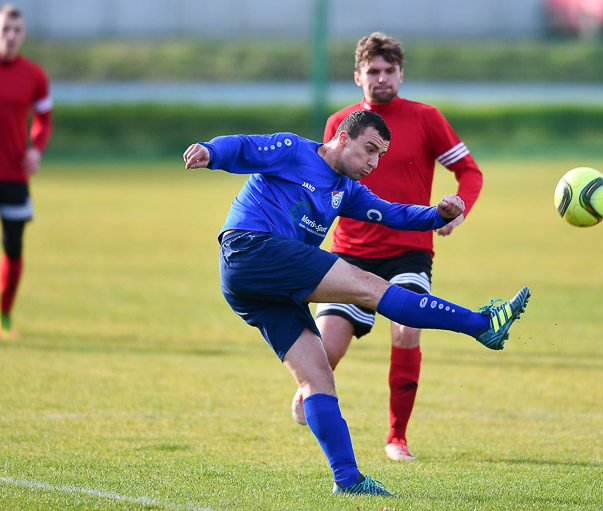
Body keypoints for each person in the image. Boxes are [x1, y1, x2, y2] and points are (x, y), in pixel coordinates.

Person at [182, 110, 530, 496]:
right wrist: (210, 151)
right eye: (369, 149)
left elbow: (394, 214)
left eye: (380, 155)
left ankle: (347, 480)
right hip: (252, 248)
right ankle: (482, 324)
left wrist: (437, 215)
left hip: (255, 286)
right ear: (343, 138)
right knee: (369, 285)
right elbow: (245, 146)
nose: (374, 162)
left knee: (317, 376)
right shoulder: (294, 150)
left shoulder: (346, 191)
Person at [291, 32, 484, 462]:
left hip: (408, 250)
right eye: (373, 70)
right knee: (327, 350)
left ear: (401, 74)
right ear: (357, 76)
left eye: (389, 70)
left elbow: (469, 171)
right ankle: (309, 387)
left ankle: (397, 437)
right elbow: (324, 184)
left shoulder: (426, 118)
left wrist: (459, 210)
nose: (382, 78)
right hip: (350, 251)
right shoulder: (339, 122)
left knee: (407, 328)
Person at [0, 4, 53, 338]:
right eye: (5, 29)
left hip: (15, 176)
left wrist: (36, 149)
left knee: (14, 249)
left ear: (24, 35)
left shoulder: (34, 76)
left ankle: (4, 314)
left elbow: (44, 120)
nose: (10, 36)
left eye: (16, 30)